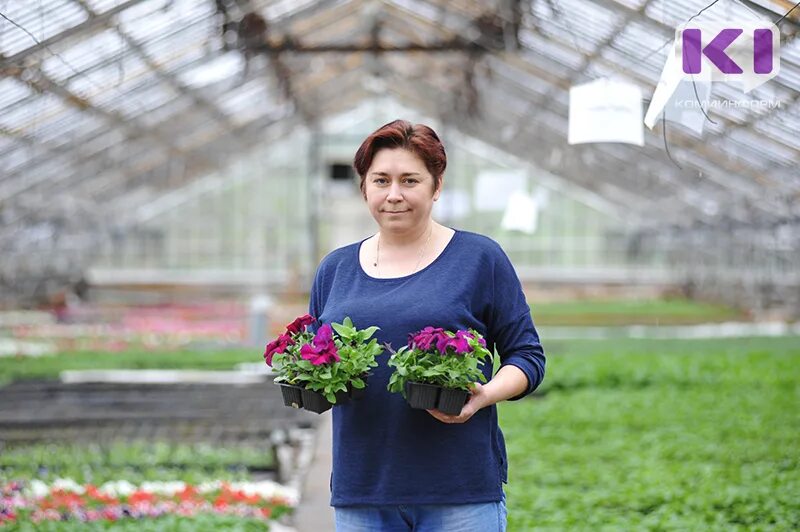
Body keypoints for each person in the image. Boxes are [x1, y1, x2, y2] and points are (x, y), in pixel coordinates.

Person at [309, 119, 546, 531]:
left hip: (459, 492)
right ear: (364, 187)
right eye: (380, 180)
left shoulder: (478, 258)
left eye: (410, 180)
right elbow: (313, 358)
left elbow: (527, 356)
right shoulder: (336, 269)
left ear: (436, 187)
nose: (394, 194)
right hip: (363, 492)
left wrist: (485, 394)